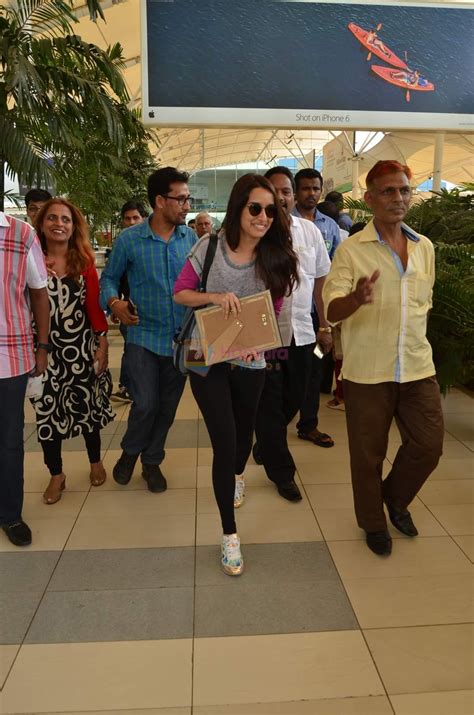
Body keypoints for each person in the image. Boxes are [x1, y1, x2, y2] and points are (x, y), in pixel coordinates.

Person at [174, 174, 298, 575]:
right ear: (239, 207)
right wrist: (214, 297)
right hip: (202, 352)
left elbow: (271, 310)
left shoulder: (276, 256)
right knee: (224, 443)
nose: (263, 216)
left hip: (248, 357)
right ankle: (230, 533)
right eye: (254, 208)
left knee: (243, 436)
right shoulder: (208, 246)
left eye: (269, 209)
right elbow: (181, 293)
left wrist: (264, 341)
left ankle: (239, 473)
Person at [323, 160, 444, 556]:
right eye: (389, 191)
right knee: (368, 455)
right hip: (367, 371)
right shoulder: (352, 250)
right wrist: (356, 299)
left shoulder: (424, 248)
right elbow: (331, 310)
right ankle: (373, 523)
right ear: (370, 198)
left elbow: (424, 306)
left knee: (428, 446)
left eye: (404, 190)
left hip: (416, 365)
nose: (398, 198)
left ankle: (393, 499)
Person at [100, 167, 197, 492]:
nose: (186, 205)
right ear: (159, 201)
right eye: (180, 199)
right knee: (145, 404)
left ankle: (151, 462)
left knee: (167, 409)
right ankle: (130, 453)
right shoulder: (130, 239)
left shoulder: (191, 238)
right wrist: (115, 304)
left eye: (187, 198)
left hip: (181, 340)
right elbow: (109, 279)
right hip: (142, 335)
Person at [253, 166, 331, 502]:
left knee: (296, 397)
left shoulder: (310, 232)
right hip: (265, 337)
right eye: (275, 191)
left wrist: (325, 326)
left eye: (286, 191)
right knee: (268, 403)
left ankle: (266, 442)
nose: (282, 197)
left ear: (293, 195)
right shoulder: (253, 232)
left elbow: (320, 283)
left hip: (302, 332)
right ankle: (281, 472)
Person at [32, 199, 114, 504]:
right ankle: (57, 474)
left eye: (65, 219)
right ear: (41, 224)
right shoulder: (32, 260)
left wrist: (102, 344)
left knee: (87, 410)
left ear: (73, 226)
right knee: (47, 414)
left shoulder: (84, 262)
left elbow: (94, 308)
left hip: (80, 349)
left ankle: (95, 462)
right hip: (44, 352)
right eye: (52, 218)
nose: (59, 224)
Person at [0, 212, 50, 546]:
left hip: (10, 356)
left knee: (9, 440)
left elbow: (39, 293)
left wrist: (42, 347)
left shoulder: (20, 234)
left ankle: (10, 514)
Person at [292, 169, 338, 447]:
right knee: (287, 374)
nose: (311, 193)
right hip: (289, 316)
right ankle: (270, 432)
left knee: (315, 369)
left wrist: (328, 323)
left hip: (317, 317)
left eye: (316, 188)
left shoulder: (330, 227)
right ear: (297, 191)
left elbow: (333, 274)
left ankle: (308, 424)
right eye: (306, 188)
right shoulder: (284, 222)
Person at [110, 200, 148, 403]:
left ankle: (133, 388)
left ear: (144, 219)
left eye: (136, 218)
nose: (131, 222)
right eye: (127, 218)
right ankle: (128, 387)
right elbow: (112, 277)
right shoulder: (122, 245)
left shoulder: (152, 243)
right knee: (131, 349)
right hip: (129, 308)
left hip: (155, 311)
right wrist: (114, 305)